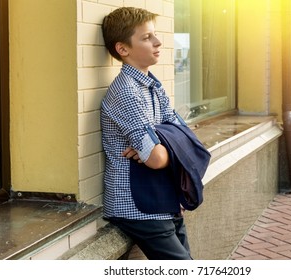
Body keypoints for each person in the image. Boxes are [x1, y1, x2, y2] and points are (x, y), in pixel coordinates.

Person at [100, 7, 193, 260]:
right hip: (138, 206)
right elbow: (156, 158)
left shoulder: (152, 86)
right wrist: (161, 145)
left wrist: (161, 142)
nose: (158, 41)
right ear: (123, 49)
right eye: (146, 37)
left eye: (155, 35)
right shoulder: (126, 92)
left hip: (162, 197)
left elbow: (186, 136)